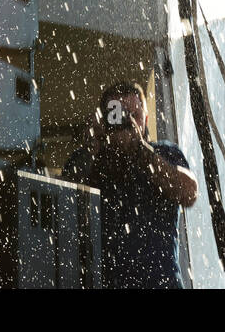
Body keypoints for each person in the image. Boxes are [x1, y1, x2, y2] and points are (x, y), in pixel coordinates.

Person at [62, 81, 197, 288]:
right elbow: (64, 205)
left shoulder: (163, 153)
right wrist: (93, 146)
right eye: (117, 115)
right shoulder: (92, 160)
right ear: (104, 119)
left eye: (134, 114)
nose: (126, 121)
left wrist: (141, 151)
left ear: (146, 118)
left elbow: (189, 193)